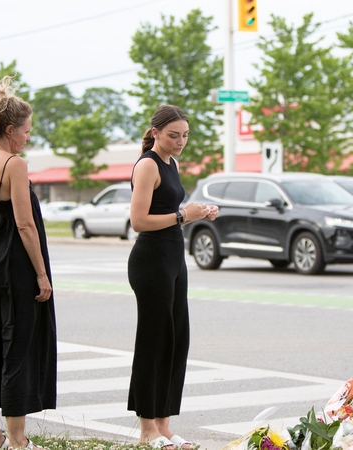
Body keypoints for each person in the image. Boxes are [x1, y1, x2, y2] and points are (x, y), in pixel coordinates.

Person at [0, 77, 56, 450]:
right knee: (17, 348)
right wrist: (40, 272)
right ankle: (18, 441)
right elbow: (24, 224)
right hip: (12, 265)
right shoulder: (14, 165)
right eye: (26, 131)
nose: (28, 138)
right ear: (9, 130)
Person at [126, 105, 218, 449]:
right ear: (155, 132)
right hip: (150, 260)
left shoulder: (172, 163)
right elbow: (138, 221)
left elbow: (171, 213)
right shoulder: (148, 165)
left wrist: (197, 214)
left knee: (176, 340)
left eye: (185, 135)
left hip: (173, 258)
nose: (180, 142)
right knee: (154, 342)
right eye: (173, 135)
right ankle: (146, 428)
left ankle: (163, 424)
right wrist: (182, 215)